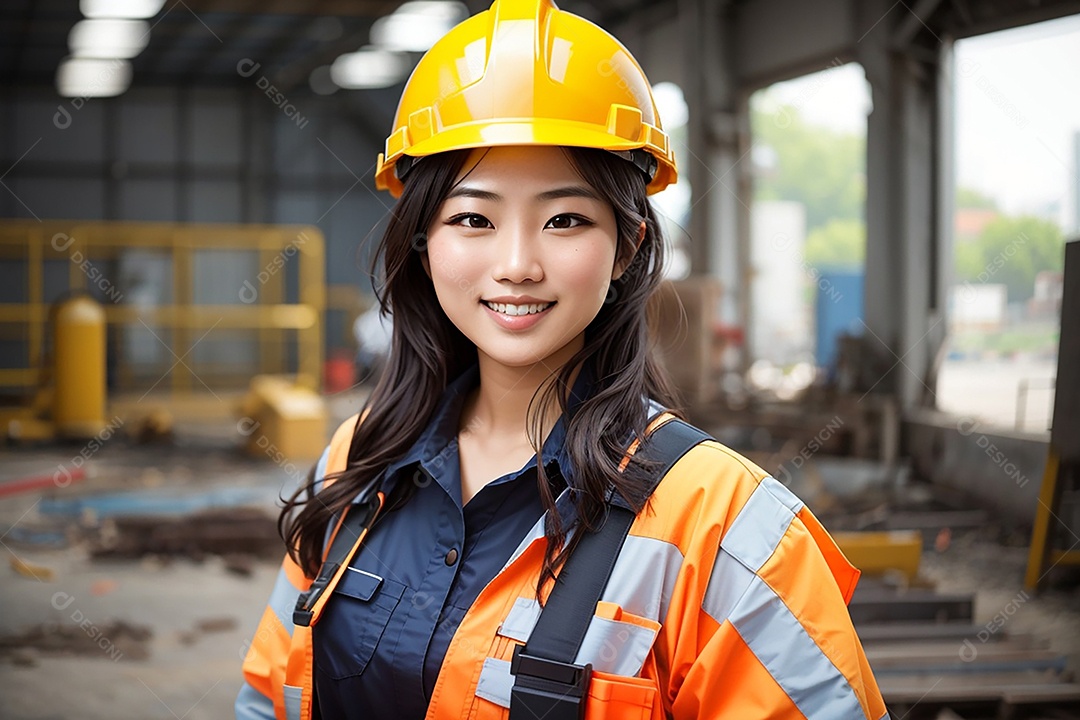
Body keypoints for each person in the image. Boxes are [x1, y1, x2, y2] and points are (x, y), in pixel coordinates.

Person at [236, 0, 889, 718]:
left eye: (565, 219)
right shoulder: (357, 460)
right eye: (473, 218)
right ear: (423, 243)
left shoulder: (725, 524)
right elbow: (270, 697)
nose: (516, 265)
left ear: (628, 246)